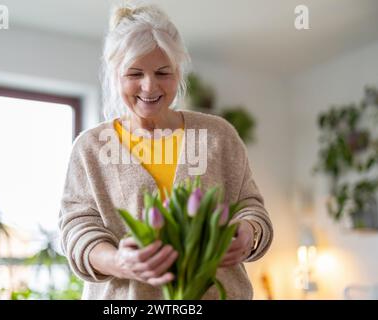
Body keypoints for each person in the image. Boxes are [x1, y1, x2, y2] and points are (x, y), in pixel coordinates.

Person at [59, 2, 273, 300]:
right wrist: (118, 262)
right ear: (115, 75)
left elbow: (251, 208)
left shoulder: (218, 136)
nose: (149, 87)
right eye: (135, 73)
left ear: (178, 71)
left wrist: (248, 232)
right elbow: (77, 229)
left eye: (162, 72)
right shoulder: (90, 148)